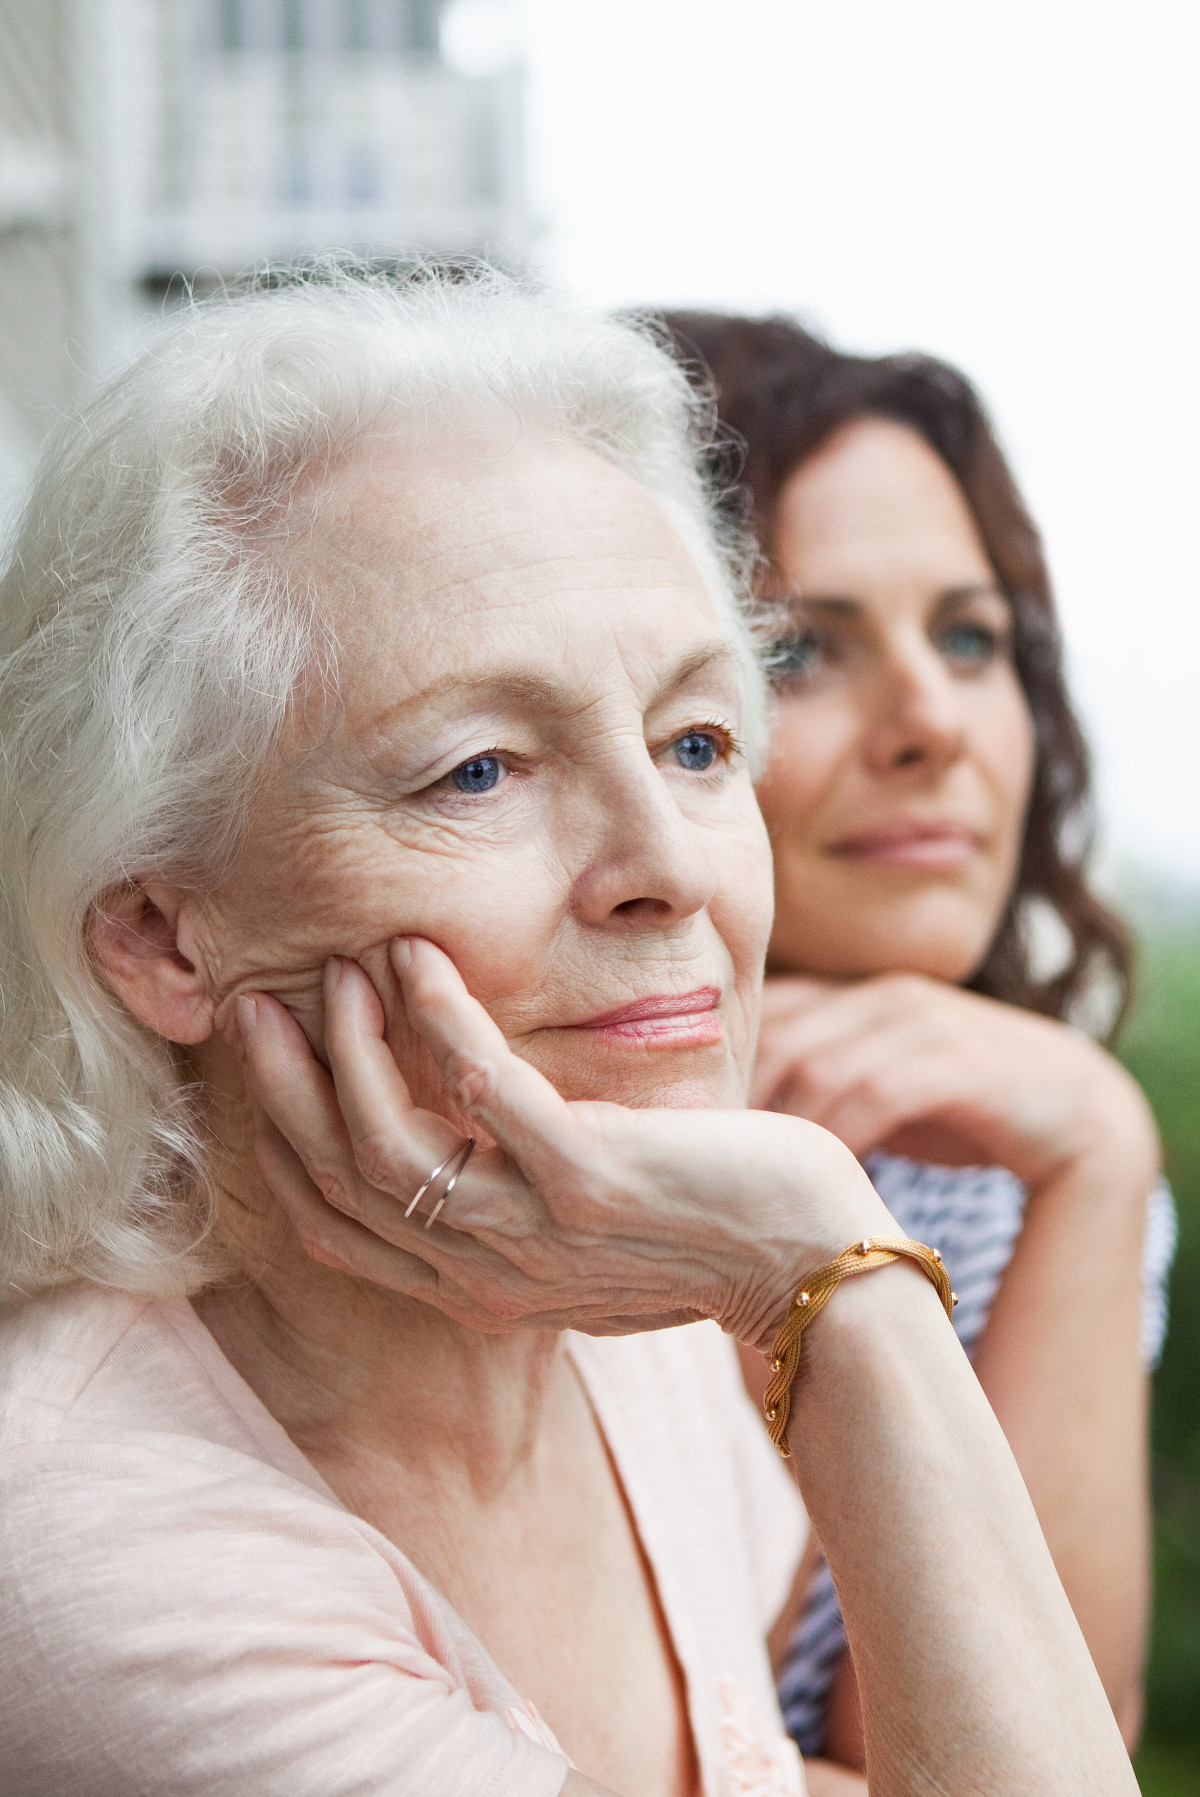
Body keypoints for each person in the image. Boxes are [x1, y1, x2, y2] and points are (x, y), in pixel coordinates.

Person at [0, 265, 1140, 1797]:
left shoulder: (620, 1309)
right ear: (157, 931)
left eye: (696, 740)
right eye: (478, 770)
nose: (667, 861)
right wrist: (838, 1284)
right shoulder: (91, 1556)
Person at [661, 310, 1173, 1779]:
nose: (933, 721)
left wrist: (1096, 1152)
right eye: (804, 649)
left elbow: (1034, 1744)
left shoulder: (1009, 1158)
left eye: (971, 635)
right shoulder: (494, 1159)